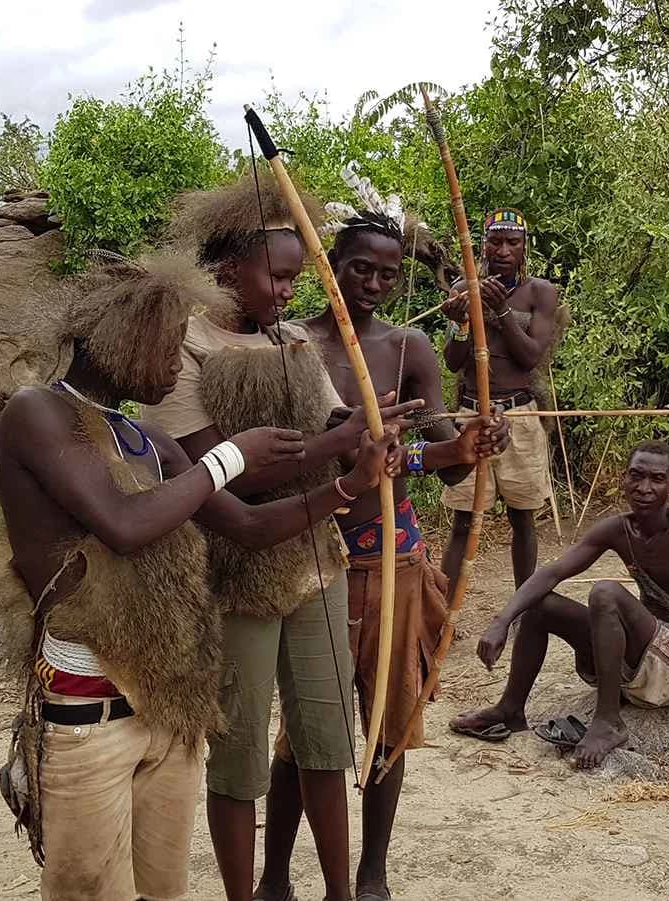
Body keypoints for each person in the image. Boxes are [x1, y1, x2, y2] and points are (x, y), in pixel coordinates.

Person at [0, 249, 402, 901]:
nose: (179, 358)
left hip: (167, 711)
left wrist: (352, 482)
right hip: (84, 717)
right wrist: (233, 455)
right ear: (125, 336)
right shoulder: (35, 413)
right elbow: (123, 522)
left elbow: (249, 527)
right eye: (170, 341)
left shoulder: (151, 443)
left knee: (164, 890)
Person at [137, 172, 425, 901]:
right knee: (237, 760)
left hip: (316, 565)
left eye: (299, 274)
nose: (293, 290)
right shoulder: (186, 349)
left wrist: (372, 441)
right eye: (280, 273)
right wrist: (348, 449)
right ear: (229, 269)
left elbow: (331, 426)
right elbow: (226, 473)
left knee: (326, 743)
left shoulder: (294, 338)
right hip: (236, 571)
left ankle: (337, 889)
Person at [261, 211, 510, 901]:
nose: (372, 283)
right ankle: (275, 875)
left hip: (395, 564)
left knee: (387, 725)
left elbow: (443, 464)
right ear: (330, 264)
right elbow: (277, 462)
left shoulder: (410, 347)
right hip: (316, 562)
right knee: (302, 735)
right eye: (359, 268)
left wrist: (465, 447)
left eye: (387, 273)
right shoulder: (289, 345)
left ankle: (372, 876)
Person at [449, 440, 669, 769]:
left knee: (606, 592)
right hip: (647, 655)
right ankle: (511, 709)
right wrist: (504, 620)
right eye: (636, 475)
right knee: (540, 605)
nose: (645, 488)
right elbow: (552, 572)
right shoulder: (617, 530)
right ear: (623, 479)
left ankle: (608, 720)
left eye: (657, 479)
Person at [440, 209, 561, 590]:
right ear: (483, 245)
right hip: (471, 413)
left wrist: (503, 312)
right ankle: (442, 612)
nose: (503, 250)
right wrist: (462, 323)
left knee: (522, 518)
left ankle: (525, 608)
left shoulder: (541, 293)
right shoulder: (464, 286)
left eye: (513, 242)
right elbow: (453, 362)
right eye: (495, 241)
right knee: (463, 520)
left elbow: (531, 358)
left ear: (525, 249)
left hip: (520, 414)